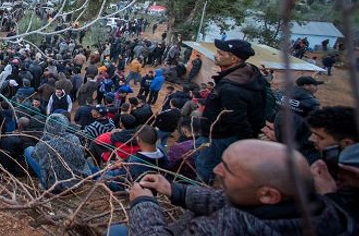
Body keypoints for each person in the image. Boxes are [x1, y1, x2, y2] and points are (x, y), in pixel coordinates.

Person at [109, 140, 356, 236]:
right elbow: (226, 199)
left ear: (268, 194)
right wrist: (177, 191)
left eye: (228, 168)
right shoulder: (312, 207)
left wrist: (143, 204)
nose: (216, 170)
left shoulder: (233, 228)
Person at [196, 39, 266, 183]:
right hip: (220, 134)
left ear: (234, 59)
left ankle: (200, 190)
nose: (216, 55)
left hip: (219, 137)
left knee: (205, 166)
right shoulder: (247, 73)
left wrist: (246, 144)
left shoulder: (232, 88)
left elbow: (238, 119)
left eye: (221, 53)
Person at [24, 114, 90, 191]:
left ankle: (44, 183)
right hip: (77, 181)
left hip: (56, 186)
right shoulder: (74, 138)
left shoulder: (43, 144)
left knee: (28, 150)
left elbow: (35, 155)